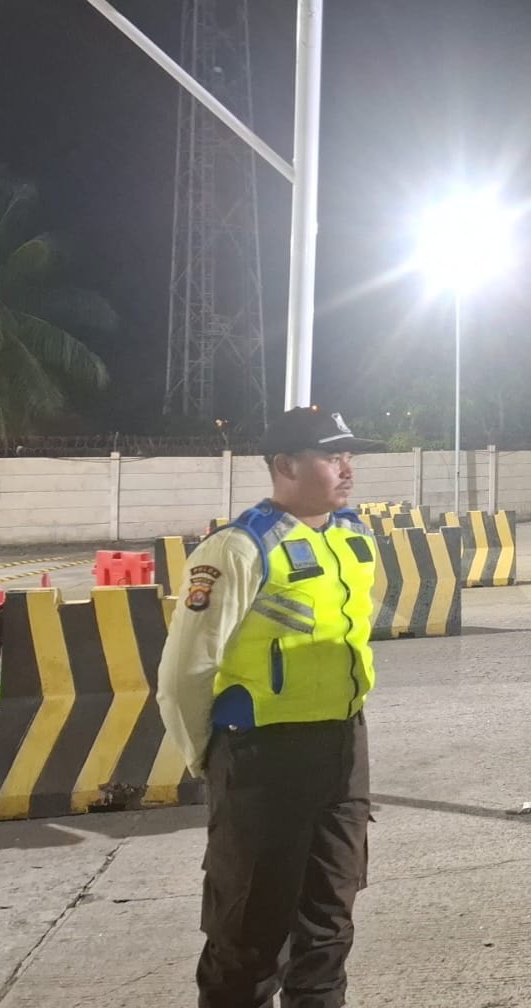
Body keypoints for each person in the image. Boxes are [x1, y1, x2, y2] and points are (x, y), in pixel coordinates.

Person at [156, 406, 384, 1008]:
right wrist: (208, 759)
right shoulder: (238, 547)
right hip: (262, 756)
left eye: (348, 455)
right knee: (250, 935)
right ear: (285, 464)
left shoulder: (353, 536)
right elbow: (184, 673)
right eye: (330, 456)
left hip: (343, 747)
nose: (347, 468)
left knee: (329, 925)